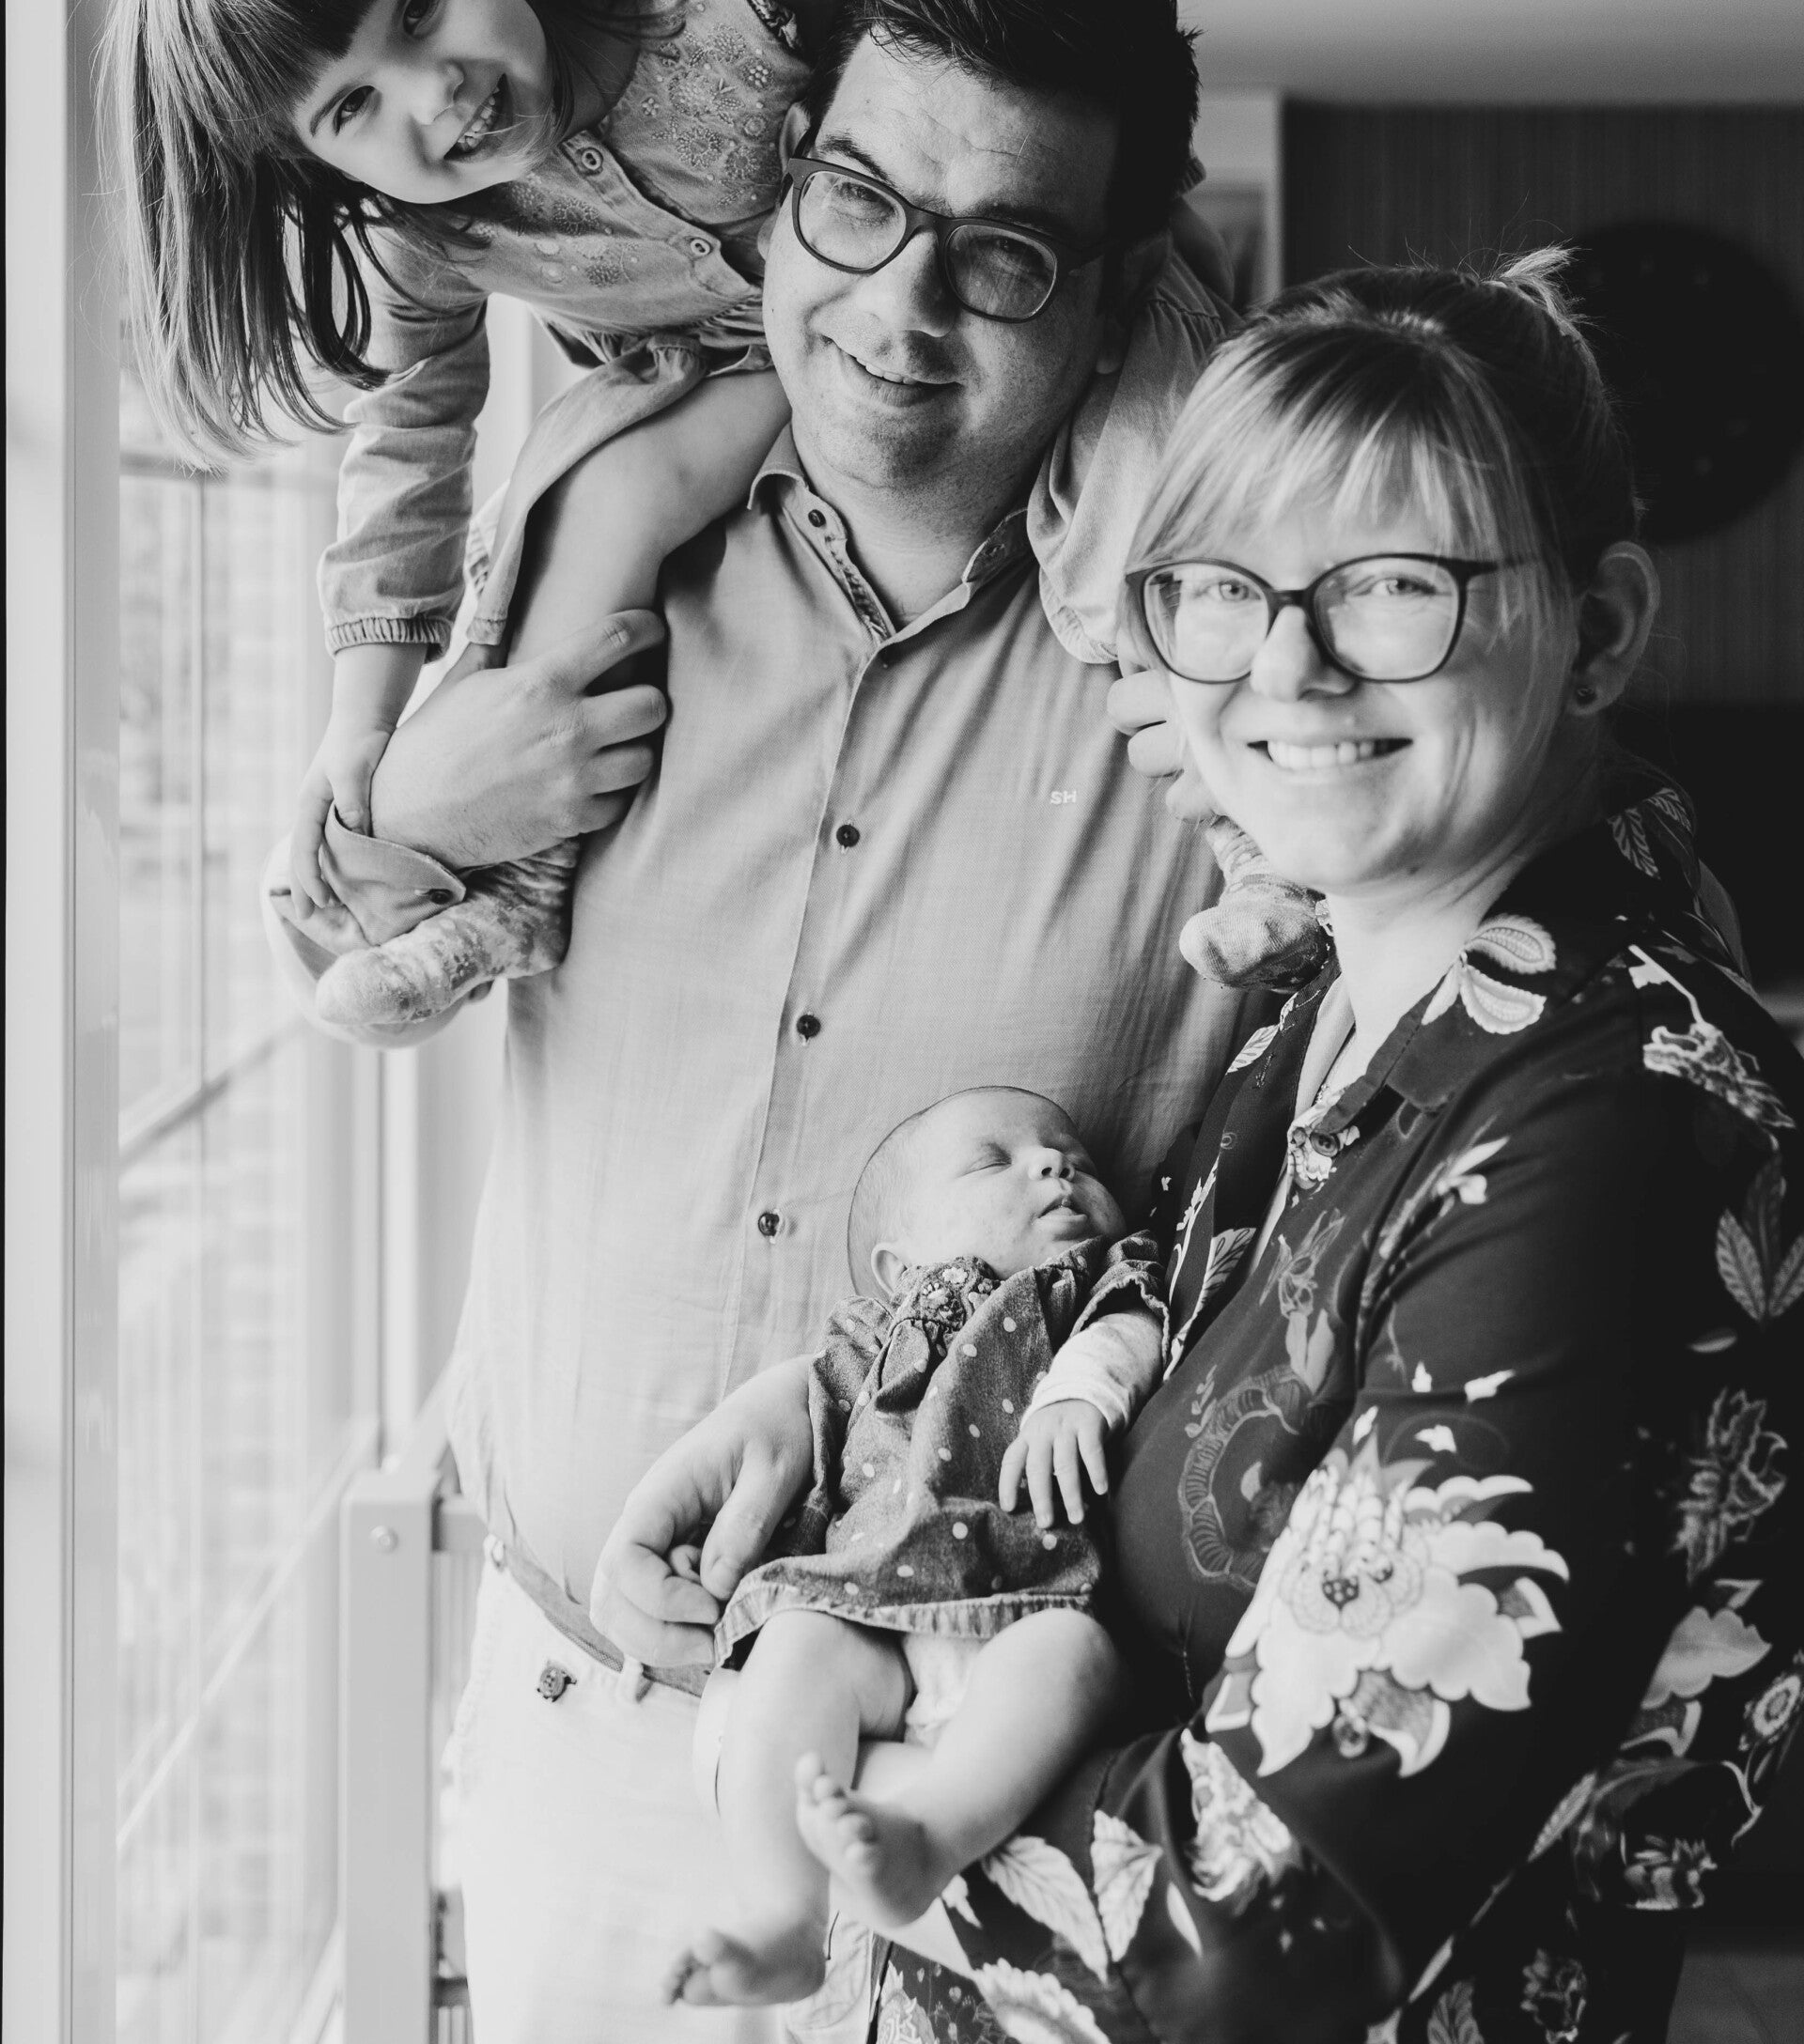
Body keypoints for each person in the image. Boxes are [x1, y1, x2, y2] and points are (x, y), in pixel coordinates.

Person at [262, 0, 1259, 2043]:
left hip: (995, 1768)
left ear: (1111, 296)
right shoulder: (589, 545)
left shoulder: (1224, 706)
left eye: (1004, 254)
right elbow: (348, 942)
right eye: (859, 202)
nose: (901, 306)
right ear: (790, 173)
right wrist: (401, 807)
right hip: (571, 1739)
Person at [604, 254, 1804, 2044]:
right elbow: (1125, 1341)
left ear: (1602, 629)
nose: (1288, 667)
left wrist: (798, 1757)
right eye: (1226, 593)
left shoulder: (1621, 1132)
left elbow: (1246, 1939)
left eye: (1394, 584)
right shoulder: (1318, 1013)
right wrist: (834, 1402)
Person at [116, 0, 1314, 1024]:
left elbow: (982, 49)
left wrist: (1151, 223)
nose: (437, 95)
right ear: (315, 163)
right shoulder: (430, 235)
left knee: (1143, 501)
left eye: (422, 7)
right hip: (731, 379)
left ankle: (1261, 841)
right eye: (352, 109)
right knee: (593, 511)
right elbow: (407, 450)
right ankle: (522, 889)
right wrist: (360, 729)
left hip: (976, 302)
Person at [668, 1087, 1166, 2005]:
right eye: (992, 1162)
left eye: (1076, 1160)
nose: (1055, 1165)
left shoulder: (1092, 1283)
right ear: (900, 1268)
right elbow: (812, 1431)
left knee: (1077, 1657)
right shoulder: (874, 1336)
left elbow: (1136, 1325)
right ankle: (785, 1916)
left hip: (1028, 1602)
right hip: (874, 1617)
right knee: (795, 1646)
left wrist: (1083, 1392)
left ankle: (928, 1837)